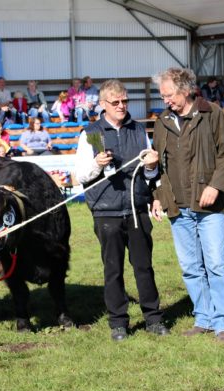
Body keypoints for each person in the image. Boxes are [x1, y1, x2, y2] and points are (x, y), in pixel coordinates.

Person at [75, 79, 167, 342]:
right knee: (112, 269)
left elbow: (150, 175)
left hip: (136, 208)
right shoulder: (92, 133)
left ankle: (153, 318)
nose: (121, 106)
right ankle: (118, 323)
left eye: (125, 101)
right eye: (115, 102)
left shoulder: (137, 130)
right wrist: (96, 163)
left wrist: (151, 165)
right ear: (103, 104)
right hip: (106, 211)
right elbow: (80, 175)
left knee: (144, 266)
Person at [151, 67, 224, 343]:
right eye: (163, 96)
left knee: (216, 264)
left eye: (169, 95)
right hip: (178, 205)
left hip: (209, 204)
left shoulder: (212, 113)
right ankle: (204, 317)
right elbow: (160, 167)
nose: (166, 101)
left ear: (185, 89)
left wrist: (215, 186)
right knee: (190, 266)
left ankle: (223, 323)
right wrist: (158, 198)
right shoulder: (162, 121)